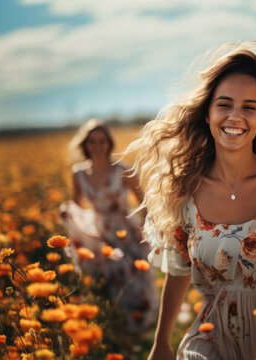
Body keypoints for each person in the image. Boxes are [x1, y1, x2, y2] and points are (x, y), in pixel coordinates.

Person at [124, 41, 256, 360]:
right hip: (210, 337)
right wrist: (161, 344)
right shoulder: (183, 191)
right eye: (224, 104)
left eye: (249, 107)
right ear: (208, 112)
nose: (235, 117)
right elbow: (179, 271)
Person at [60, 119, 157, 353]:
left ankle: (137, 335)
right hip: (99, 232)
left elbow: (144, 200)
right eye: (92, 141)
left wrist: (146, 224)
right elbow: (76, 205)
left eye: (102, 141)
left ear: (108, 143)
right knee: (110, 283)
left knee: (134, 280)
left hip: (127, 232)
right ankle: (118, 333)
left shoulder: (121, 170)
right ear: (85, 145)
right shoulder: (79, 173)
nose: (97, 145)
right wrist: (67, 213)